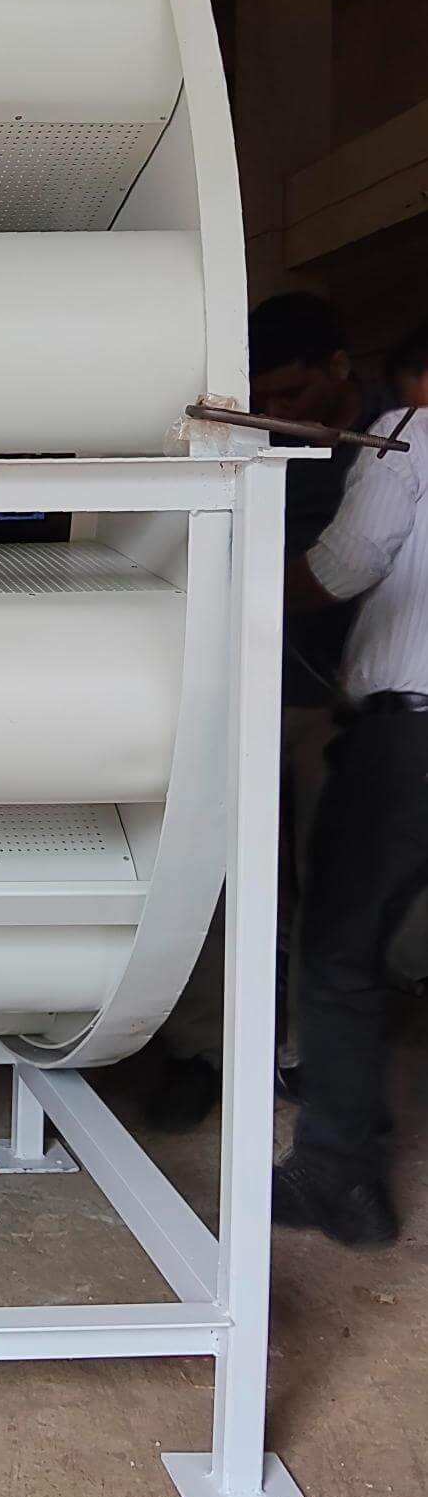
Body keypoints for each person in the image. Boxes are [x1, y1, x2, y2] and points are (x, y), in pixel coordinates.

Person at [148, 292, 370, 1127]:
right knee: (209, 875)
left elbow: (353, 567)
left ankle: (303, 1056)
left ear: (340, 369)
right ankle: (203, 1050)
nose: (280, 415)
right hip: (234, 691)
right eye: (265, 399)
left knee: (330, 883)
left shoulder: (392, 443)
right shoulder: (241, 436)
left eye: (295, 394)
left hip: (335, 699)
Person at [274, 322, 428, 1245]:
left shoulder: (410, 432)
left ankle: (338, 1179)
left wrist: (241, 581)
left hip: (410, 741)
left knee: (340, 952)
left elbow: (347, 564)